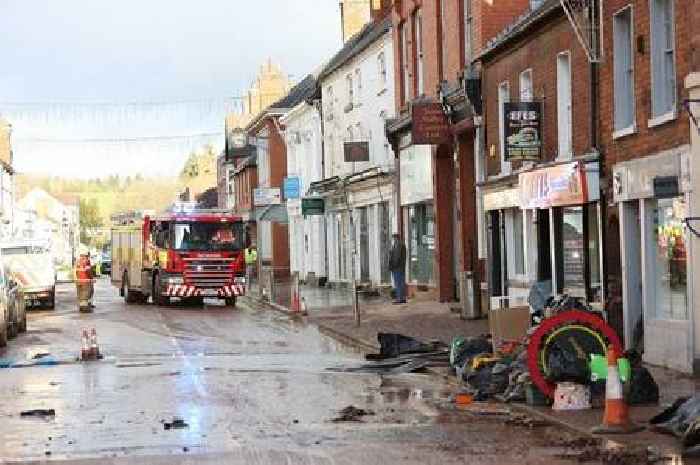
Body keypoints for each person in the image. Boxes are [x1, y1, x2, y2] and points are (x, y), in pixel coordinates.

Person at [389, 233, 407, 304]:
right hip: (400, 267)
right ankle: (402, 298)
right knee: (401, 283)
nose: (394, 240)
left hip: (397, 268)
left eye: (394, 238)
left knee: (398, 283)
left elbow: (397, 257)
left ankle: (399, 299)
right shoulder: (400, 245)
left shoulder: (398, 245)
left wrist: (393, 266)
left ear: (397, 238)